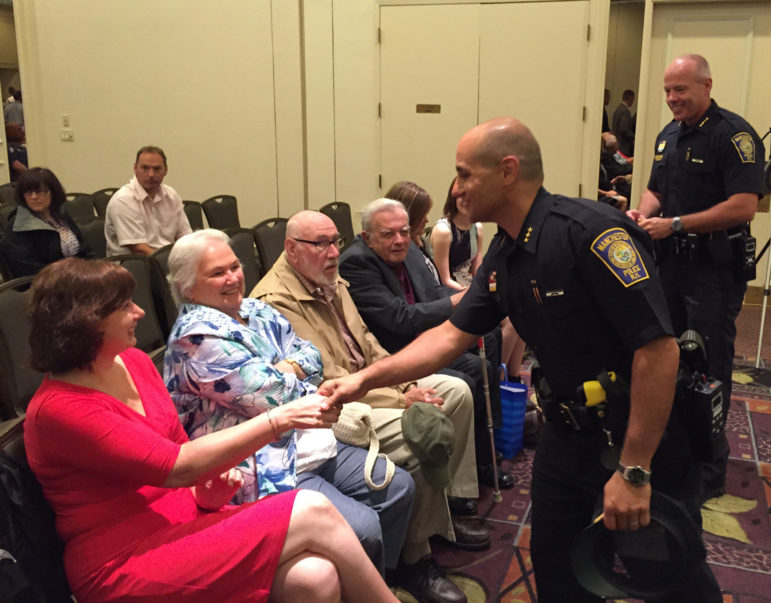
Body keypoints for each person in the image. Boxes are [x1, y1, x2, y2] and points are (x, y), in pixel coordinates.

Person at [321, 117, 722, 602]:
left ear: (507, 170)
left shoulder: (592, 234)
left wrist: (634, 470)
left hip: (638, 434)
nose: (457, 188)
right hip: (567, 436)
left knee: (664, 574)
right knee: (560, 571)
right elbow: (449, 336)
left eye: (466, 173)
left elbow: (659, 351)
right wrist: (364, 379)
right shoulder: (505, 253)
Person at [24, 257, 397, 603]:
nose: (139, 312)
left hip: (184, 521)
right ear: (87, 321)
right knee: (310, 507)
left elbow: (178, 453)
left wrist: (205, 494)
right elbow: (176, 465)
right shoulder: (59, 410)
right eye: (124, 307)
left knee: (314, 577)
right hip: (119, 559)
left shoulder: (134, 362)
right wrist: (279, 419)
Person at [253, 210, 487, 603]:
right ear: (292, 249)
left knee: (455, 392)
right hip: (332, 405)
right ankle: (416, 559)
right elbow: (326, 376)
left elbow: (368, 344)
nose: (333, 253)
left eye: (335, 242)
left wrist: (408, 383)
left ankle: (445, 513)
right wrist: (402, 397)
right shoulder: (277, 299)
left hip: (368, 384)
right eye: (321, 244)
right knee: (422, 426)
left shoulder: (329, 277)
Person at [163, 229, 414, 577]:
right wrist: (292, 371)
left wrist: (289, 368)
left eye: (235, 266)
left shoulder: (254, 309)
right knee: (364, 526)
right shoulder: (196, 337)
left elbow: (312, 355)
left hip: (308, 439)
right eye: (217, 273)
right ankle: (367, 587)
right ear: (188, 286)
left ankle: (377, 575)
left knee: (398, 487)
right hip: (259, 462)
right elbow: (274, 396)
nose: (233, 277)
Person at [627, 54, 766, 501]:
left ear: (706, 85)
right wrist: (641, 214)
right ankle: (669, 448)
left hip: (713, 271)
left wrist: (677, 224)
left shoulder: (734, 135)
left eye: (680, 90)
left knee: (709, 364)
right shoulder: (669, 135)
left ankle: (709, 466)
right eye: (667, 90)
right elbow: (654, 189)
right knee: (666, 354)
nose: (672, 99)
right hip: (669, 265)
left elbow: (745, 205)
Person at [339, 199, 513, 488]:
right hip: (396, 346)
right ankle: (469, 466)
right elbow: (400, 318)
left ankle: (488, 444)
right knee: (470, 369)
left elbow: (432, 292)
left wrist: (472, 302)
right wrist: (459, 301)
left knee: (490, 332)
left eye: (404, 232)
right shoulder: (357, 262)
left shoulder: (405, 249)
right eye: (388, 234)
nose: (399, 240)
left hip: (422, 331)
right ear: (367, 237)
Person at [430, 180, 527, 383]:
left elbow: (479, 269)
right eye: (462, 197)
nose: (467, 202)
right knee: (508, 321)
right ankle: (497, 377)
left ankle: (514, 375)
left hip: (471, 285)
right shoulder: (443, 230)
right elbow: (444, 279)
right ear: (453, 198)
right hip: (451, 290)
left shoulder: (478, 228)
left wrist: (492, 287)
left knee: (519, 311)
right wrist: (474, 290)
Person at [0, 167, 94, 278]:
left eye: (40, 191)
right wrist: (70, 276)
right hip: (44, 284)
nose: (34, 197)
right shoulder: (18, 224)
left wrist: (92, 269)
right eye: (28, 192)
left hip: (74, 277)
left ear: (53, 192)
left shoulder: (61, 214)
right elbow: (26, 268)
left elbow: (85, 249)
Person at [105, 145, 191, 256]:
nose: (151, 174)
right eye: (145, 168)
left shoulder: (171, 196)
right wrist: (173, 263)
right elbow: (139, 249)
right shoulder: (123, 200)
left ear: (165, 170)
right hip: (134, 265)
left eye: (157, 169)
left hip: (165, 261)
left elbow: (185, 237)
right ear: (135, 169)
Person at [611, 88, 635, 156]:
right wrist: (634, 137)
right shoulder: (625, 111)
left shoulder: (618, 109)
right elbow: (624, 130)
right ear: (631, 98)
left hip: (616, 144)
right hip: (623, 146)